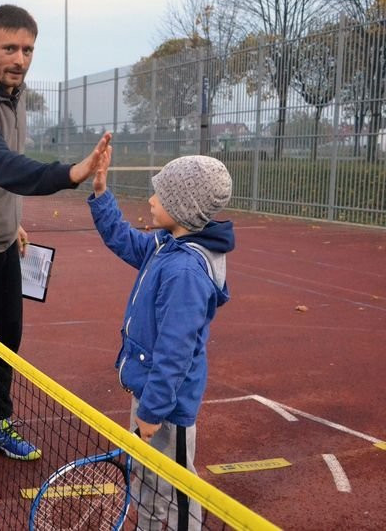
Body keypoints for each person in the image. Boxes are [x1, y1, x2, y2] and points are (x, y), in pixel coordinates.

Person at [0, 4, 112, 487]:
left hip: (3, 240)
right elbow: (1, 166)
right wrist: (70, 173)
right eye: (9, 48)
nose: (20, 58)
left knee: (5, 341)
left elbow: (6, 175)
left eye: (28, 49)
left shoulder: (16, 95)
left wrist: (12, 221)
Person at [88, 155, 234, 530]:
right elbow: (123, 240)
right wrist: (102, 196)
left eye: (160, 195)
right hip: (151, 392)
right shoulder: (163, 245)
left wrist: (152, 411)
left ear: (183, 208)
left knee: (175, 490)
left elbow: (175, 354)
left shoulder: (185, 271)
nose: (151, 200)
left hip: (167, 404)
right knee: (148, 481)